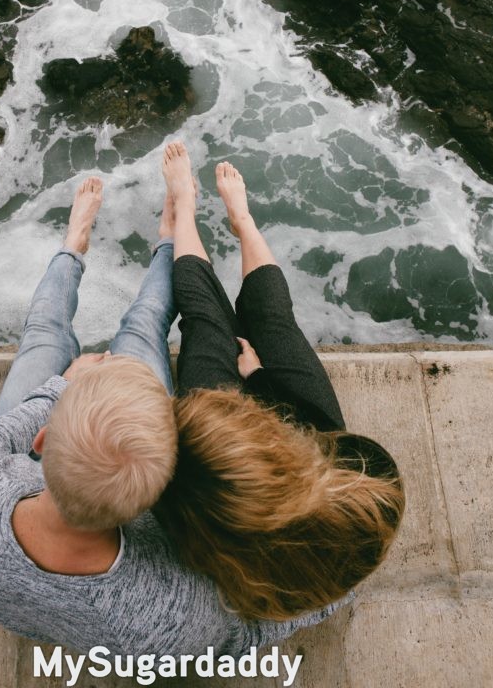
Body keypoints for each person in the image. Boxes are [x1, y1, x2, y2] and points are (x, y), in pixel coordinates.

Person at [0, 176, 343, 656]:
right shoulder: (168, 612)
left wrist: (62, 387)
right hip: (88, 473)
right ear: (158, 497)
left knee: (43, 334)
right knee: (144, 325)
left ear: (40, 440)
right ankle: (166, 238)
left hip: (37, 473)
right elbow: (248, 631)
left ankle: (76, 243)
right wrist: (332, 589)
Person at [155, 141, 405, 622]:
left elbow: (176, 504)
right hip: (318, 437)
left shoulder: (206, 512)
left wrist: (243, 386)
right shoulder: (365, 488)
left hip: (235, 477)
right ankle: (242, 222)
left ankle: (184, 207)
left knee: (207, 324)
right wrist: (261, 378)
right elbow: (313, 429)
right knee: (274, 320)